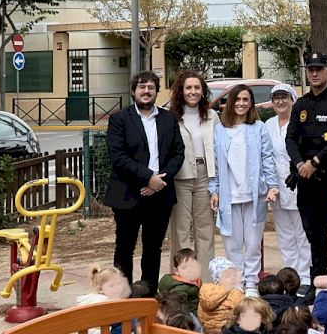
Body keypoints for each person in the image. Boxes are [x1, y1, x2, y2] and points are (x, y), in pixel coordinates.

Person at [104, 70, 185, 290]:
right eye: (142, 87)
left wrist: (158, 182)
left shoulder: (169, 119)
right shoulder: (119, 119)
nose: (146, 91)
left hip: (160, 195)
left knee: (153, 248)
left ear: (157, 92)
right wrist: (148, 178)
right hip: (128, 194)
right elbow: (118, 157)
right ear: (134, 91)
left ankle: (148, 294)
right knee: (124, 248)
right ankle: (122, 295)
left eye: (151, 87)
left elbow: (178, 154)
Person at [286, 51, 327, 281]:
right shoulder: (301, 104)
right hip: (306, 182)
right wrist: (299, 164)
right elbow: (290, 138)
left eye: (319, 69)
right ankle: (318, 283)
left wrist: (315, 162)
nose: (314, 73)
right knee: (314, 238)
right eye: (310, 69)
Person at [208, 84, 280, 294]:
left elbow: (267, 158)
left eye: (245, 100)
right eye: (237, 99)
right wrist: (214, 190)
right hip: (229, 196)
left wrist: (272, 186)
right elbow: (215, 163)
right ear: (231, 102)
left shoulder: (258, 128)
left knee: (252, 243)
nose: (241, 103)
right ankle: (237, 283)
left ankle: (251, 283)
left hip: (254, 195)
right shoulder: (220, 130)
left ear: (251, 104)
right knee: (232, 244)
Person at [167, 70, 218, 266]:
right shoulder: (171, 116)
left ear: (203, 91)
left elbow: (217, 148)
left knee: (205, 229)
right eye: (188, 87)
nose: (193, 91)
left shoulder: (212, 116)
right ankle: (180, 278)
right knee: (180, 229)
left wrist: (216, 183)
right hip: (180, 176)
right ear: (181, 90)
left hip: (205, 175)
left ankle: (205, 278)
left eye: (197, 87)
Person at [264, 82, 312, 287]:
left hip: (299, 185)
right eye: (276, 98)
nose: (280, 101)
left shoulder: (300, 123)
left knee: (302, 233)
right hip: (276, 187)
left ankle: (306, 276)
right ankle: (290, 275)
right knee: (284, 234)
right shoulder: (268, 125)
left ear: (293, 100)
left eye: (284, 97)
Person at [198, 257, 245, 334]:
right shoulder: (236, 293)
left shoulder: (205, 291)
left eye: (234, 275)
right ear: (218, 279)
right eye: (228, 276)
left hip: (207, 333)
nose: (233, 278)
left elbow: (201, 315)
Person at [157, 248, 201, 313]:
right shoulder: (180, 288)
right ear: (176, 271)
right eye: (184, 268)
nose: (189, 270)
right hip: (186, 314)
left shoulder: (194, 281)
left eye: (192, 266)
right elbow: (176, 308)